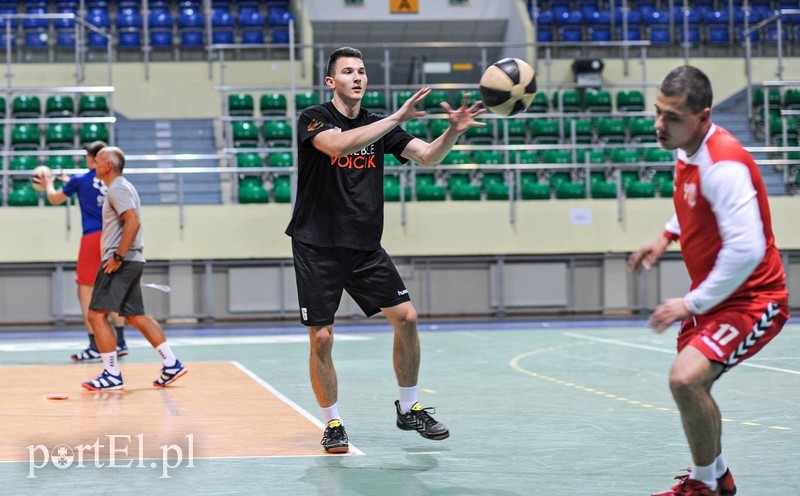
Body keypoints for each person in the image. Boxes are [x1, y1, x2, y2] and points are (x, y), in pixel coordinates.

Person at [285, 46, 485, 454]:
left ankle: (409, 407)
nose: (357, 77)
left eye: (361, 71)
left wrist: (451, 133)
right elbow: (338, 146)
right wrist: (396, 118)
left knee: (407, 318)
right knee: (321, 338)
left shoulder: (380, 125)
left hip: (364, 245)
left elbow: (427, 156)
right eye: (347, 72)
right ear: (331, 81)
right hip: (317, 243)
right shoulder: (314, 117)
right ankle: (333, 422)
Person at [628, 66, 789, 496]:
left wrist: (692, 303)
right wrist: (666, 235)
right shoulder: (687, 148)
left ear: (703, 116)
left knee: (685, 379)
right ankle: (718, 478)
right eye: (658, 113)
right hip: (718, 300)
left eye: (673, 117)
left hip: (755, 300)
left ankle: (704, 485)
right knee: (691, 383)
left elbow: (748, 249)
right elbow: (695, 205)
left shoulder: (724, 164)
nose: (660, 125)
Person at [81, 146, 187, 391]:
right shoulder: (121, 187)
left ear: (108, 165)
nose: (94, 165)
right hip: (132, 260)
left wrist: (117, 256)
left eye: (97, 161)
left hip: (121, 262)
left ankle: (111, 374)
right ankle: (171, 363)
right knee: (135, 316)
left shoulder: (117, 188)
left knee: (96, 315)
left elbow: (133, 221)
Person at [37, 141, 128, 363]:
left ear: (91, 158)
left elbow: (54, 199)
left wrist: (48, 183)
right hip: (115, 238)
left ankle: (94, 346)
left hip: (93, 238)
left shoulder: (80, 180)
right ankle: (121, 342)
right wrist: (72, 183)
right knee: (112, 291)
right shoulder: (112, 181)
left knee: (85, 292)